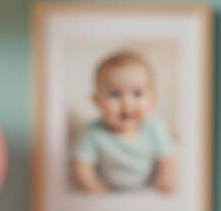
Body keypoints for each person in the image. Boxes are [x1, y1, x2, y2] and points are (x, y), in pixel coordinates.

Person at [72, 51, 177, 194]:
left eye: (137, 93)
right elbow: (82, 165)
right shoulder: (93, 132)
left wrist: (165, 179)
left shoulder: (154, 128)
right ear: (97, 101)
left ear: (152, 99)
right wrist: (92, 185)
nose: (127, 103)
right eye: (115, 94)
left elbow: (166, 160)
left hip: (147, 190)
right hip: (108, 192)